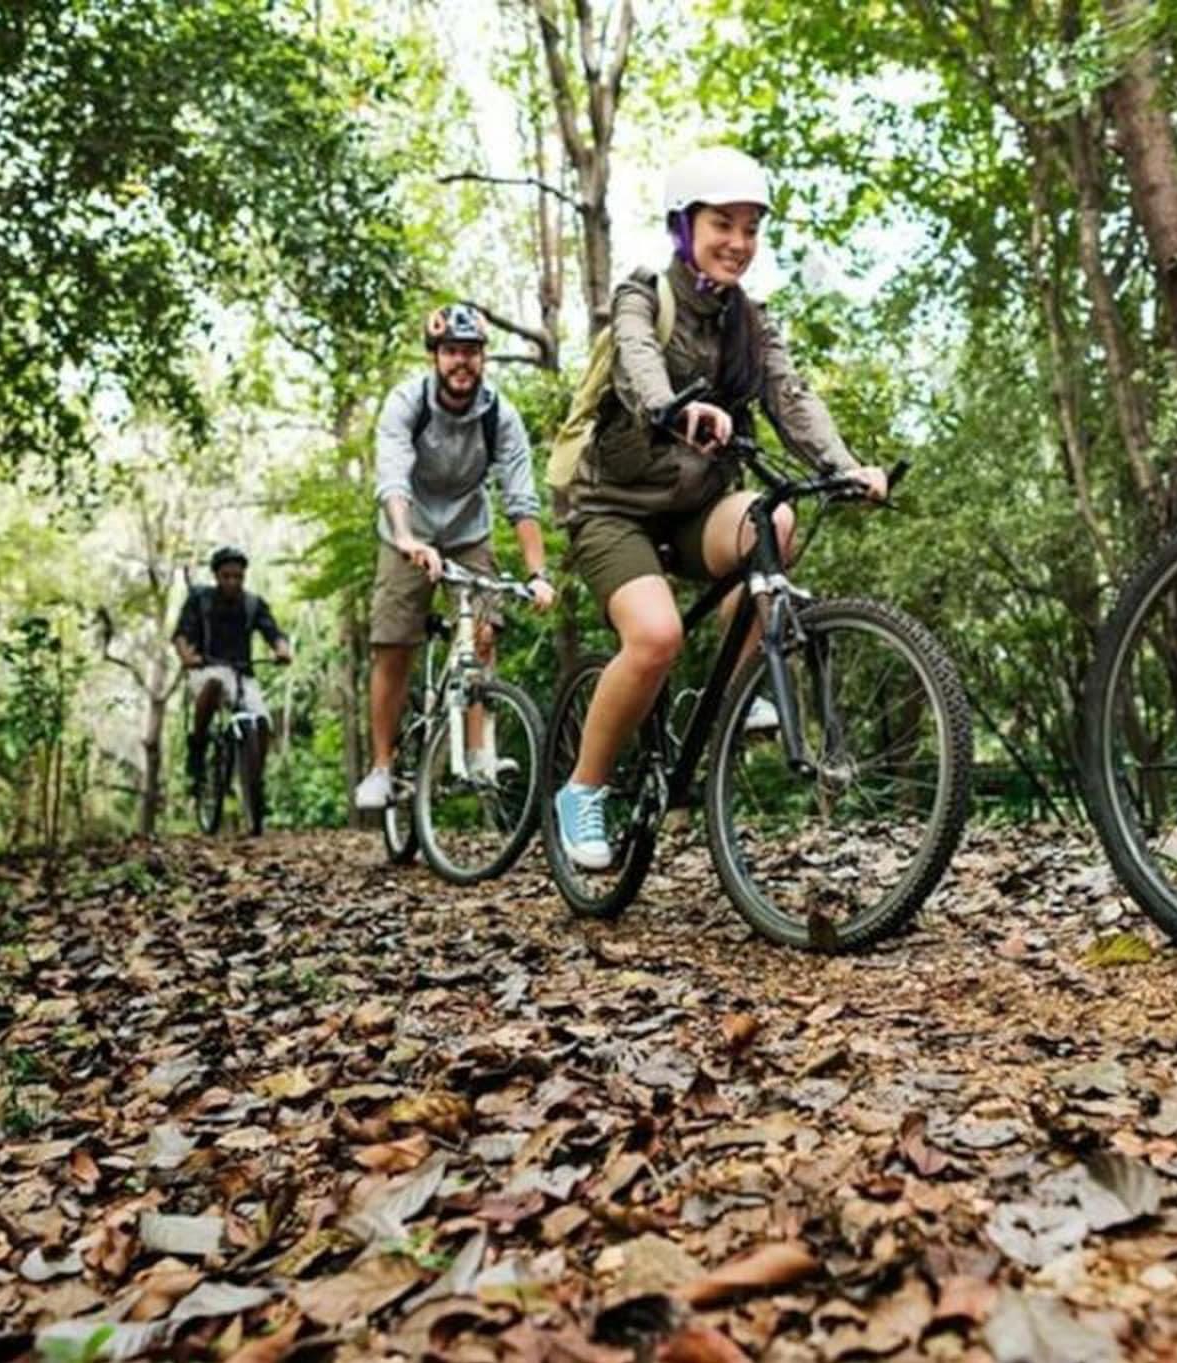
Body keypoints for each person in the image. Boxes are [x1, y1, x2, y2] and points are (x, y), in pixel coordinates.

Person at [550, 146, 891, 870]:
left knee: (777, 520)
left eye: (750, 228)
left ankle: (736, 702)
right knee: (655, 637)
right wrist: (675, 408)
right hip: (613, 510)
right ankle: (583, 788)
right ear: (684, 227)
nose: (739, 242)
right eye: (722, 224)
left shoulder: (750, 324)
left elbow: (792, 399)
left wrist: (843, 466)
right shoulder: (645, 296)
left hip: (695, 510)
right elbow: (636, 358)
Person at [354, 302, 556, 811]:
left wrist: (538, 574)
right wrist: (406, 538)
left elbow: (521, 498)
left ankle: (480, 752)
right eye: (451, 351)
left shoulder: (500, 416)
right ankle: (382, 767)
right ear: (435, 357)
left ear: (483, 357)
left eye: (471, 351)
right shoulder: (407, 403)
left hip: (468, 532)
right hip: (408, 531)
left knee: (484, 633)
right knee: (393, 644)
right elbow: (392, 478)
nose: (461, 362)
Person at [174, 545, 292, 785]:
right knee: (214, 684)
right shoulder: (200, 600)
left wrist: (282, 650)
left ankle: (255, 784)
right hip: (206, 667)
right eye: (226, 576)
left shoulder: (252, 604)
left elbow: (273, 632)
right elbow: (181, 634)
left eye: (238, 576)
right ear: (216, 576)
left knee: (261, 722)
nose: (232, 582)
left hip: (241, 673)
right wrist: (187, 657)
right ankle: (198, 747)